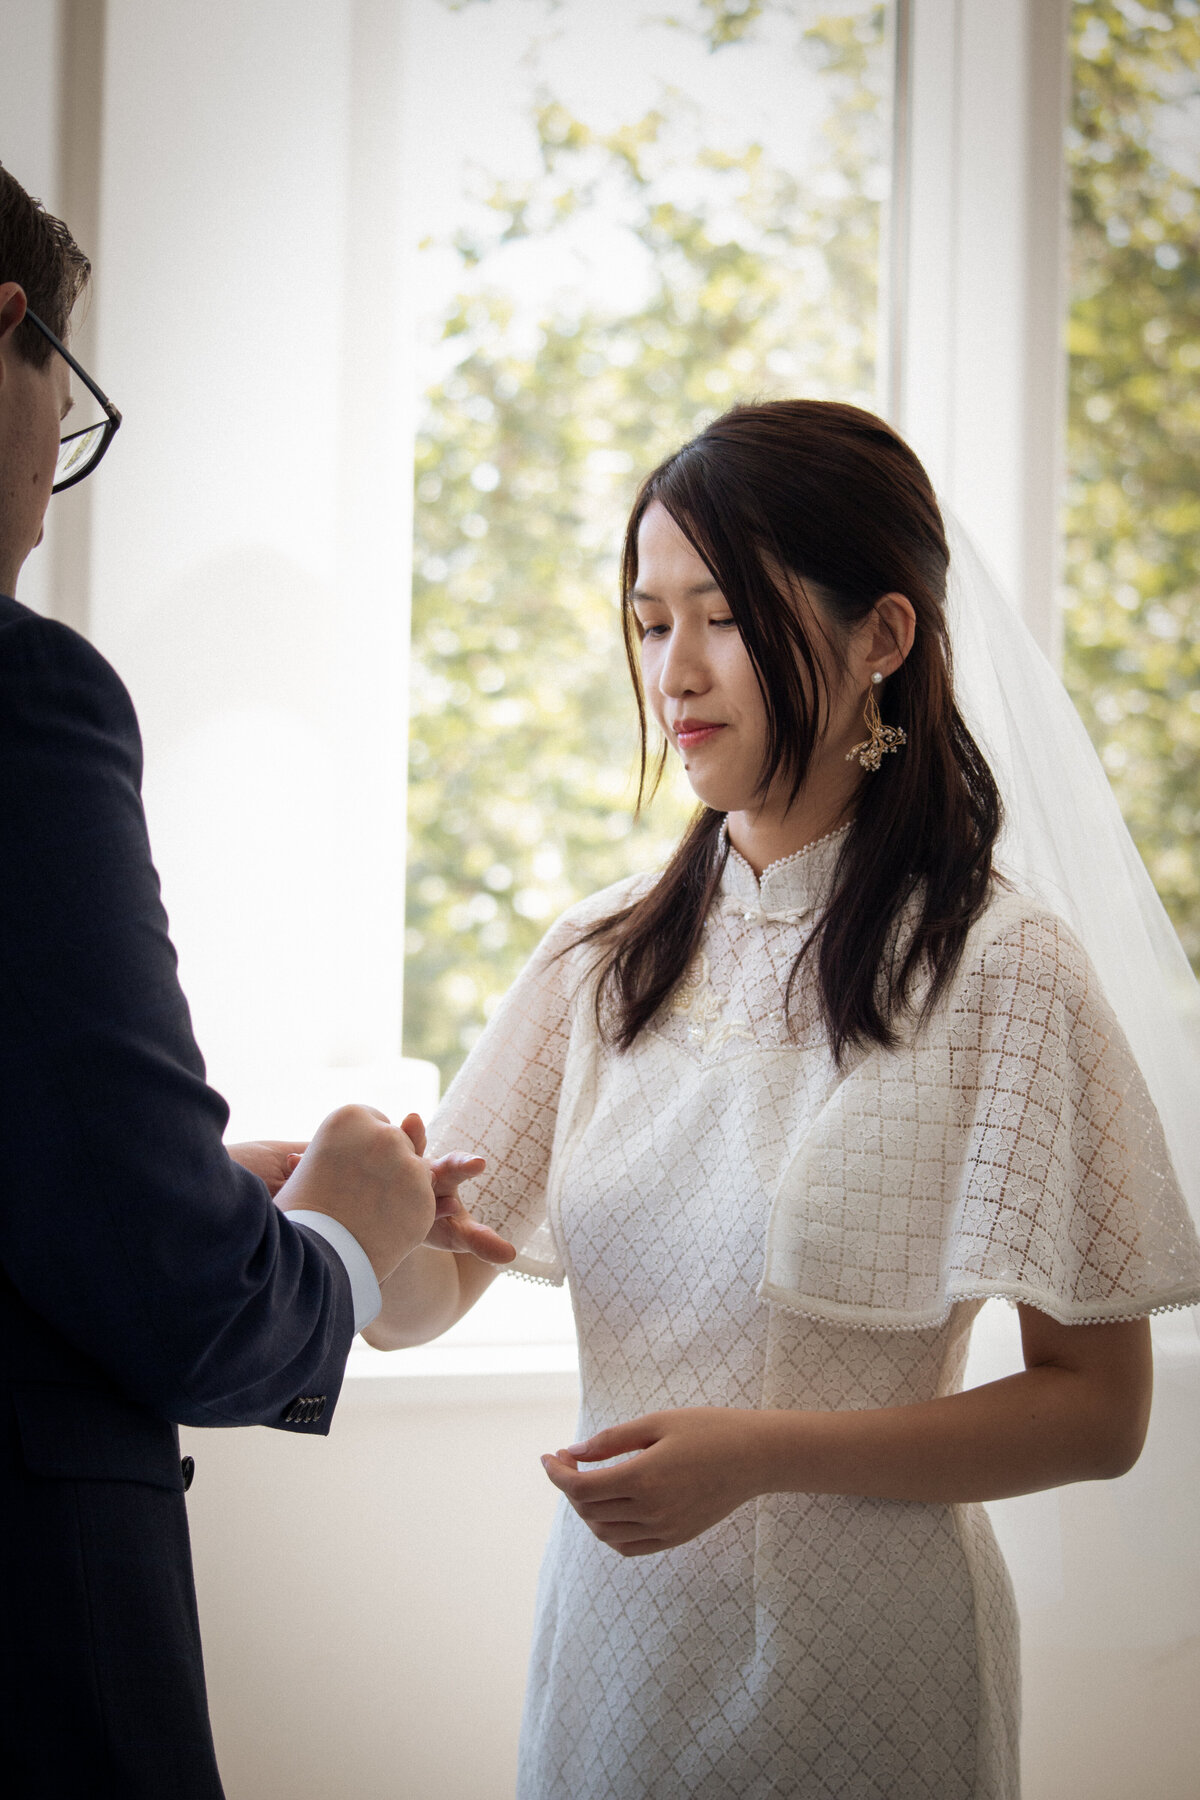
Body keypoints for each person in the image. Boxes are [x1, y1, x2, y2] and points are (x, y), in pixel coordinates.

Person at [365, 399, 1200, 1799]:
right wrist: (367, 1223)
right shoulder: (598, 955)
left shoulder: (1002, 968)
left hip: (873, 1679)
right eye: (647, 621)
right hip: (611, 1662)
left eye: (725, 617)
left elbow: (1097, 1414)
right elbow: (420, 1301)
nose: (673, 672)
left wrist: (762, 1456)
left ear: (884, 637)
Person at [0, 164, 511, 1800]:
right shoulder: (26, 701)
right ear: (12, 335)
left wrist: (192, 1195)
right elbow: (182, 1305)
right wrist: (342, 1241)